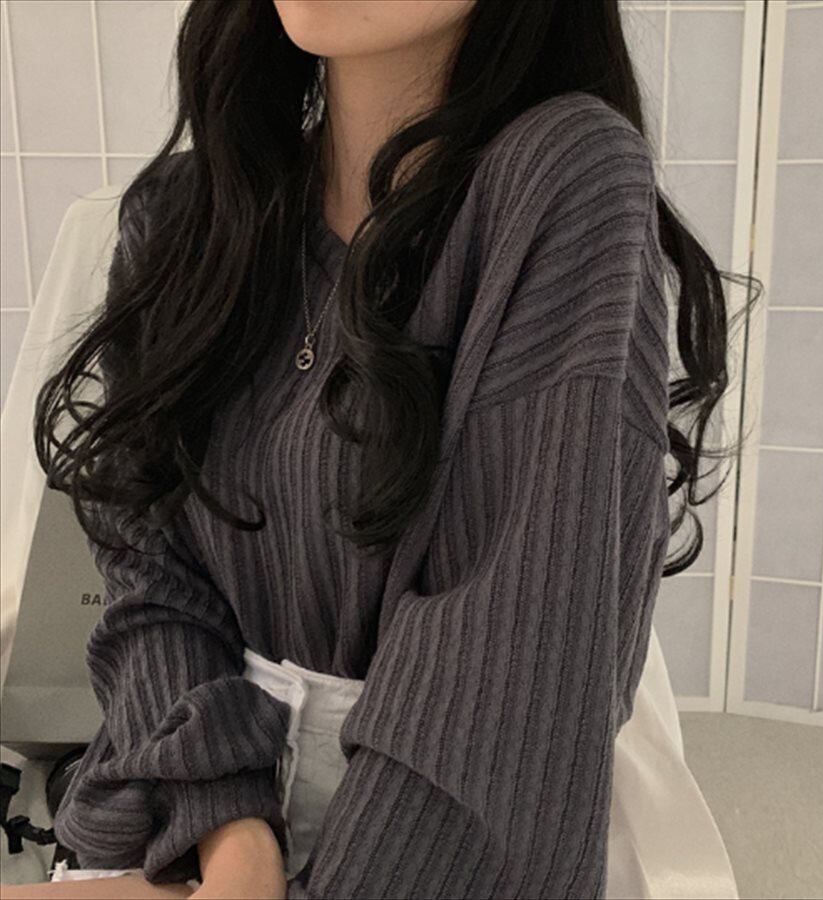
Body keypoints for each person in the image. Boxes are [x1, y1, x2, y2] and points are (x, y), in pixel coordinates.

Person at [1, 1, 754, 897]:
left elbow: (506, 684)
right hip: (191, 817)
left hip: (447, 852)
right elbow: (149, 575)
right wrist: (234, 841)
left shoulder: (559, 179)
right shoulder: (184, 215)